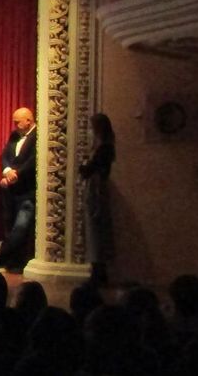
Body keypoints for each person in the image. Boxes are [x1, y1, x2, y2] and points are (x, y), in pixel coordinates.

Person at [0, 107, 38, 273]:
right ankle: (14, 263)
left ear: (29, 119)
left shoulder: (38, 136)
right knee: (12, 226)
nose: (15, 125)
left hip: (27, 190)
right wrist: (6, 172)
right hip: (11, 191)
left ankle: (0, 257)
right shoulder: (14, 137)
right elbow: (4, 156)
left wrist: (16, 174)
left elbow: (34, 161)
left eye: (18, 121)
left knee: (21, 227)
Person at [78, 112, 115, 285]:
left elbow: (88, 170)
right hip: (95, 188)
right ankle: (98, 270)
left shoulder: (103, 148)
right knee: (94, 231)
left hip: (96, 190)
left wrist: (84, 165)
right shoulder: (103, 147)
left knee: (96, 231)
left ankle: (98, 272)